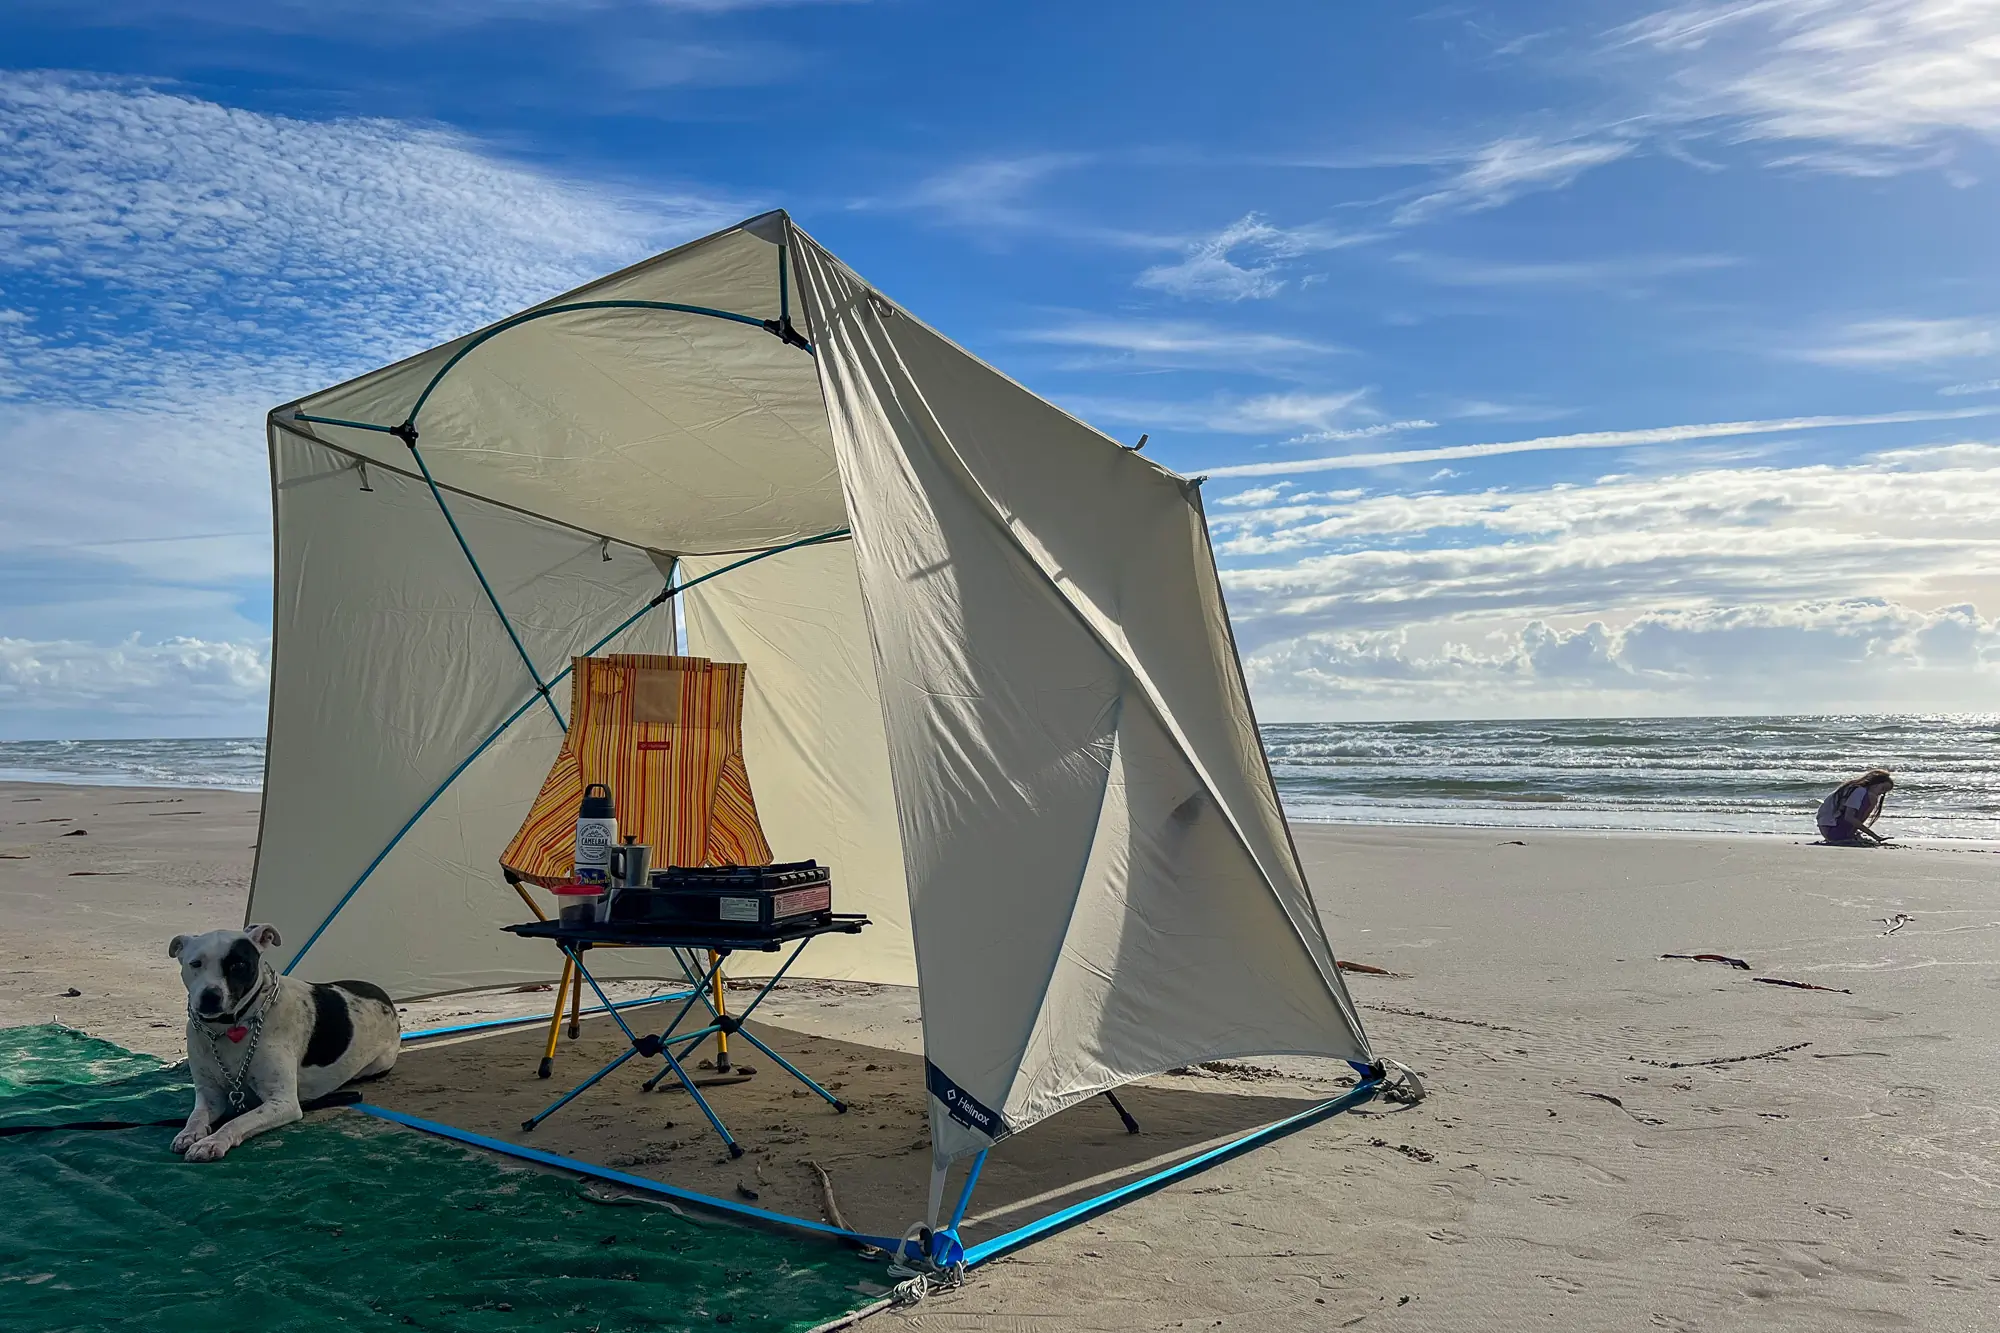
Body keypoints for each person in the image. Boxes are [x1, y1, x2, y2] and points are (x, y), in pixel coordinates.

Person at [1817, 769, 1894, 845]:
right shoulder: (1859, 791)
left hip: (1830, 827)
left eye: (1884, 792)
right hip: (1831, 830)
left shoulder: (1858, 789)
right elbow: (1849, 817)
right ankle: (1847, 834)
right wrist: (1875, 836)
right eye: (1882, 789)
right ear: (1875, 783)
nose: (1881, 793)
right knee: (1872, 799)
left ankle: (1850, 833)